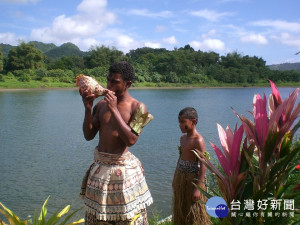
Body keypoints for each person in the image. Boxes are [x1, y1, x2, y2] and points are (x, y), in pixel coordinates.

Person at [79, 61, 153, 225]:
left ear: (128, 84)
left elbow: (131, 140)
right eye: (108, 80)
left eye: (115, 82)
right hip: (101, 169)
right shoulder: (101, 104)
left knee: (126, 219)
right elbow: (88, 135)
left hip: (123, 172)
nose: (109, 85)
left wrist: (114, 110)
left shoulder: (138, 107)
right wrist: (87, 108)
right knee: (98, 219)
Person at [172, 107, 211, 225]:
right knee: (181, 208)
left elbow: (203, 164)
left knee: (193, 210)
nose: (180, 125)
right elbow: (180, 157)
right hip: (181, 177)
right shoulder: (183, 138)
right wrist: (175, 177)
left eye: (183, 122)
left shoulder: (198, 140)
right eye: (179, 122)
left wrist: (198, 188)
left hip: (193, 180)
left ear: (193, 122)